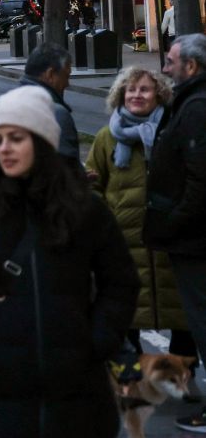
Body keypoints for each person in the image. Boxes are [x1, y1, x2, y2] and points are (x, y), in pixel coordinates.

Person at [0, 85, 138, 438]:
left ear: (42, 141)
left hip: (79, 397)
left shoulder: (84, 209)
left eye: (16, 137)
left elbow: (121, 282)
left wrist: (96, 339)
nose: (5, 148)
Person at [86, 66, 198, 365]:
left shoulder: (173, 133)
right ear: (120, 95)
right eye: (131, 90)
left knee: (183, 314)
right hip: (124, 246)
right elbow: (93, 188)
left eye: (145, 89)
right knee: (127, 313)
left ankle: (183, 374)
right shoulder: (105, 138)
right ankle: (131, 377)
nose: (137, 95)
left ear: (159, 94)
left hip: (171, 243)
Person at [145, 34, 206, 431]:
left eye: (170, 61)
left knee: (203, 322)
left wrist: (173, 221)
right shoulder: (188, 102)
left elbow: (200, 180)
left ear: (191, 67)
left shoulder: (196, 107)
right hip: (192, 236)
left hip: (196, 239)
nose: (164, 68)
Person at [20, 44, 80, 163]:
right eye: (66, 76)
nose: (67, 84)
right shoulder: (56, 115)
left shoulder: (7, 106)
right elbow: (67, 171)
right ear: (51, 74)